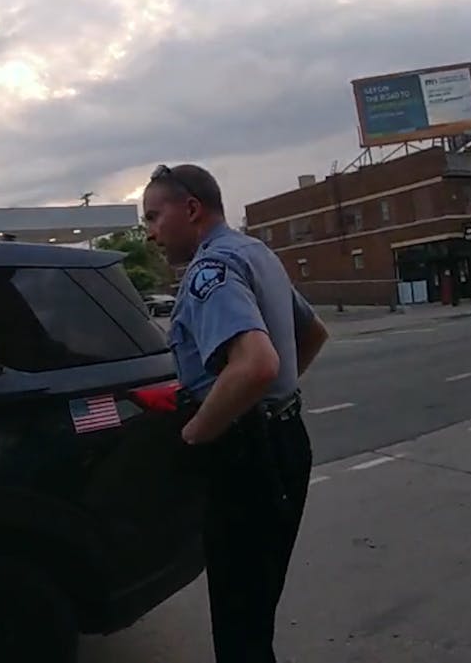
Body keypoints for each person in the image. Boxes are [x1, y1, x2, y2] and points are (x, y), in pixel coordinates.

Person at [142, 164, 329, 663]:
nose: (151, 233)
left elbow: (256, 364)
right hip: (285, 443)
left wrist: (194, 435)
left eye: (154, 217)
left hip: (244, 456)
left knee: (238, 623)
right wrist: (274, 405)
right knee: (256, 610)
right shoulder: (255, 253)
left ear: (192, 209)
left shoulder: (211, 270)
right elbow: (312, 335)